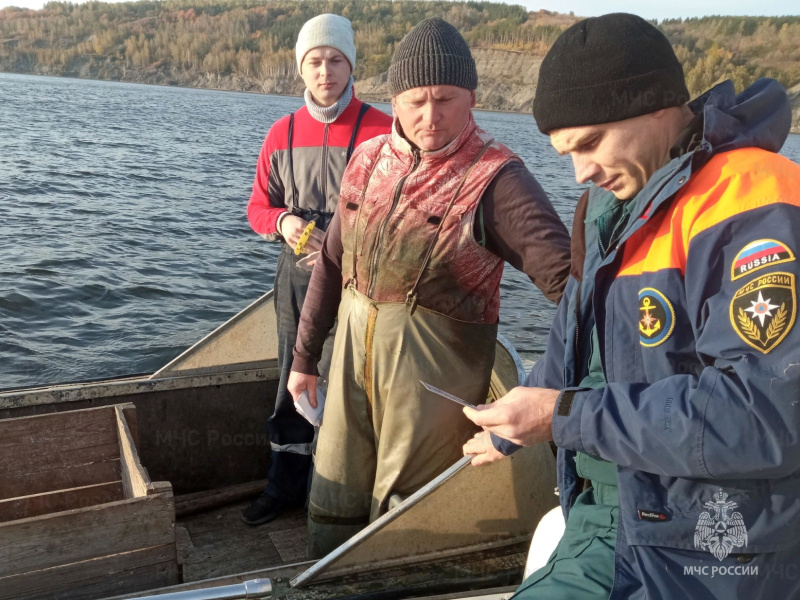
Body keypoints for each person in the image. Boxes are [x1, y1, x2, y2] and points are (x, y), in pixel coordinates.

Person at [463, 13, 800, 599]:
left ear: (654, 106)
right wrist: (515, 421)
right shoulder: (603, 211)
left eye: (590, 143)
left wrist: (564, 417)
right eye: (565, 152)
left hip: (711, 551)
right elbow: (577, 353)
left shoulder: (755, 204)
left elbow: (768, 414)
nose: (579, 173)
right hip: (611, 517)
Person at [287, 17, 572, 558]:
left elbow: (575, 290)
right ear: (394, 99)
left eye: (446, 99)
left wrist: (549, 387)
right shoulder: (367, 160)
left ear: (472, 97)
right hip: (350, 361)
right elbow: (329, 261)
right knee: (334, 485)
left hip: (432, 384)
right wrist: (304, 357)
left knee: (405, 513)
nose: (430, 117)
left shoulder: (498, 179)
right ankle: (322, 580)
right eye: (416, 100)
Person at [243, 14, 392, 526]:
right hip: (297, 276)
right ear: (301, 70)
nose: (325, 71)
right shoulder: (279, 133)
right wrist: (282, 221)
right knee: (294, 377)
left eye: (334, 60)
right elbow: (257, 208)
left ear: (350, 64)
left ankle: (341, 493)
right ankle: (284, 485)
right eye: (314, 62)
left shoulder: (385, 129)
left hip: (360, 281)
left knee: (353, 382)